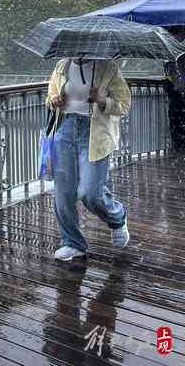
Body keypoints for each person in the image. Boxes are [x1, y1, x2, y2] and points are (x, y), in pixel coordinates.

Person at [46, 57, 131, 261]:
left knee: (90, 193)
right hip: (64, 128)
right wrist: (54, 100)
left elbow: (124, 105)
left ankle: (117, 217)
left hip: (95, 133)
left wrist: (102, 100)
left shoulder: (107, 67)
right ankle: (72, 243)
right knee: (63, 192)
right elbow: (49, 95)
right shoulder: (62, 65)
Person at [163, 58, 185, 154]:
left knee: (177, 129)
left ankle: (178, 149)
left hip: (177, 109)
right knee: (177, 129)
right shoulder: (170, 80)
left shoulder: (177, 79)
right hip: (176, 109)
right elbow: (174, 90)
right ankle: (178, 149)